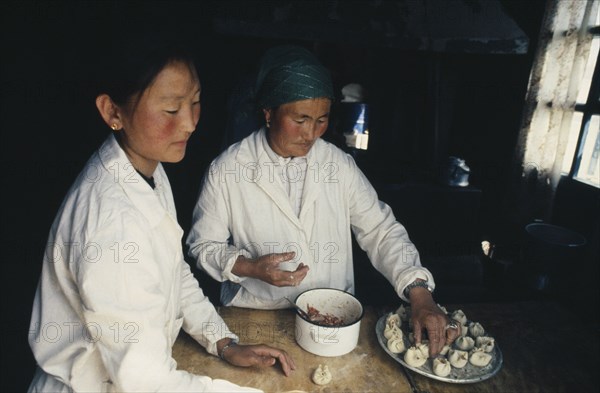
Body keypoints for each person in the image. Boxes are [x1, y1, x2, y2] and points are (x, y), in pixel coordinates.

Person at [27, 34, 295, 393]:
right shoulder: (113, 225)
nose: (189, 123)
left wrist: (223, 341)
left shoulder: (144, 168)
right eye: (170, 109)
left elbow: (173, 271)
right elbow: (148, 382)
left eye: (195, 102)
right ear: (112, 112)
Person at [186, 45, 459, 357]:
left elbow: (380, 229)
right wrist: (249, 267)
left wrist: (419, 292)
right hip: (256, 318)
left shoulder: (338, 165)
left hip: (333, 319)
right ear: (269, 111)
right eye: (300, 119)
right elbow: (203, 245)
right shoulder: (228, 169)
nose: (311, 133)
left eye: (321, 120)